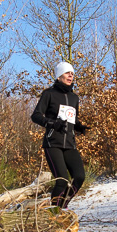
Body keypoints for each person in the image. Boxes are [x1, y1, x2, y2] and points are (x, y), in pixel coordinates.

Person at [31, 61, 89, 208]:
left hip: (69, 143)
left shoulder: (74, 98)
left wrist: (79, 126)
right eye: (67, 73)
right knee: (62, 180)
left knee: (79, 176)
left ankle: (62, 206)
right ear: (59, 76)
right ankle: (54, 213)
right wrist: (51, 123)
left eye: (72, 73)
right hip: (53, 143)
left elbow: (72, 119)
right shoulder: (49, 94)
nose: (71, 75)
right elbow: (36, 116)